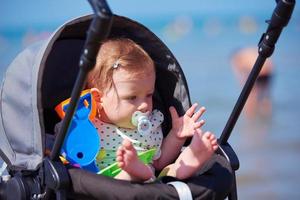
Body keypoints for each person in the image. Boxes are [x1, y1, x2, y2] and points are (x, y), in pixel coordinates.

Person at [85, 38, 218, 182]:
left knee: (170, 169)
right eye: (131, 97)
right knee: (122, 177)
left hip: (152, 180)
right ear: (98, 99)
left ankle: (191, 158)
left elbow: (159, 161)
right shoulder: (87, 126)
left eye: (149, 95)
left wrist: (177, 136)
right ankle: (133, 172)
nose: (144, 105)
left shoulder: (150, 125)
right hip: (110, 184)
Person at [231, 47, 273, 119]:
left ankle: (250, 117)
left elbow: (241, 75)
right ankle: (268, 116)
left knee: (251, 96)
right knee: (266, 96)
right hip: (269, 70)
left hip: (260, 72)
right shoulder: (250, 51)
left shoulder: (238, 58)